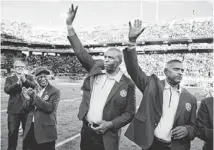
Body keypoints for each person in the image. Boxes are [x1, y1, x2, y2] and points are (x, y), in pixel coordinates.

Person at [66, 4, 136, 150]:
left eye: (111, 58)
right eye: (105, 57)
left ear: (119, 61)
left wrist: (110, 124)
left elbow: (129, 113)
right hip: (87, 131)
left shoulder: (127, 84)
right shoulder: (96, 68)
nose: (107, 60)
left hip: (107, 135)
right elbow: (80, 52)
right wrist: (69, 25)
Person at [123, 19, 197, 150]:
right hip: (152, 144)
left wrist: (187, 130)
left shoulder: (190, 98)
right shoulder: (152, 85)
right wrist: (132, 42)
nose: (180, 73)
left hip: (176, 146)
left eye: (182, 70)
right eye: (176, 69)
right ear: (165, 71)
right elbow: (133, 70)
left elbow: (194, 127)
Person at [22, 67, 60, 150]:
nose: (43, 79)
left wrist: (34, 97)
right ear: (36, 79)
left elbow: (50, 108)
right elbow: (25, 109)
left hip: (46, 131)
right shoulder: (34, 90)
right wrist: (28, 100)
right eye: (40, 77)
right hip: (31, 128)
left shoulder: (54, 91)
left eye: (45, 76)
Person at [4, 60, 36, 150]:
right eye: (17, 67)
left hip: (27, 109)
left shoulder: (29, 77)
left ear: (24, 68)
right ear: (14, 68)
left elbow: (33, 86)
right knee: (12, 132)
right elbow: (7, 90)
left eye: (21, 67)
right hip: (13, 110)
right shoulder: (9, 79)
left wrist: (24, 80)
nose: (20, 68)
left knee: (27, 133)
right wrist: (17, 83)